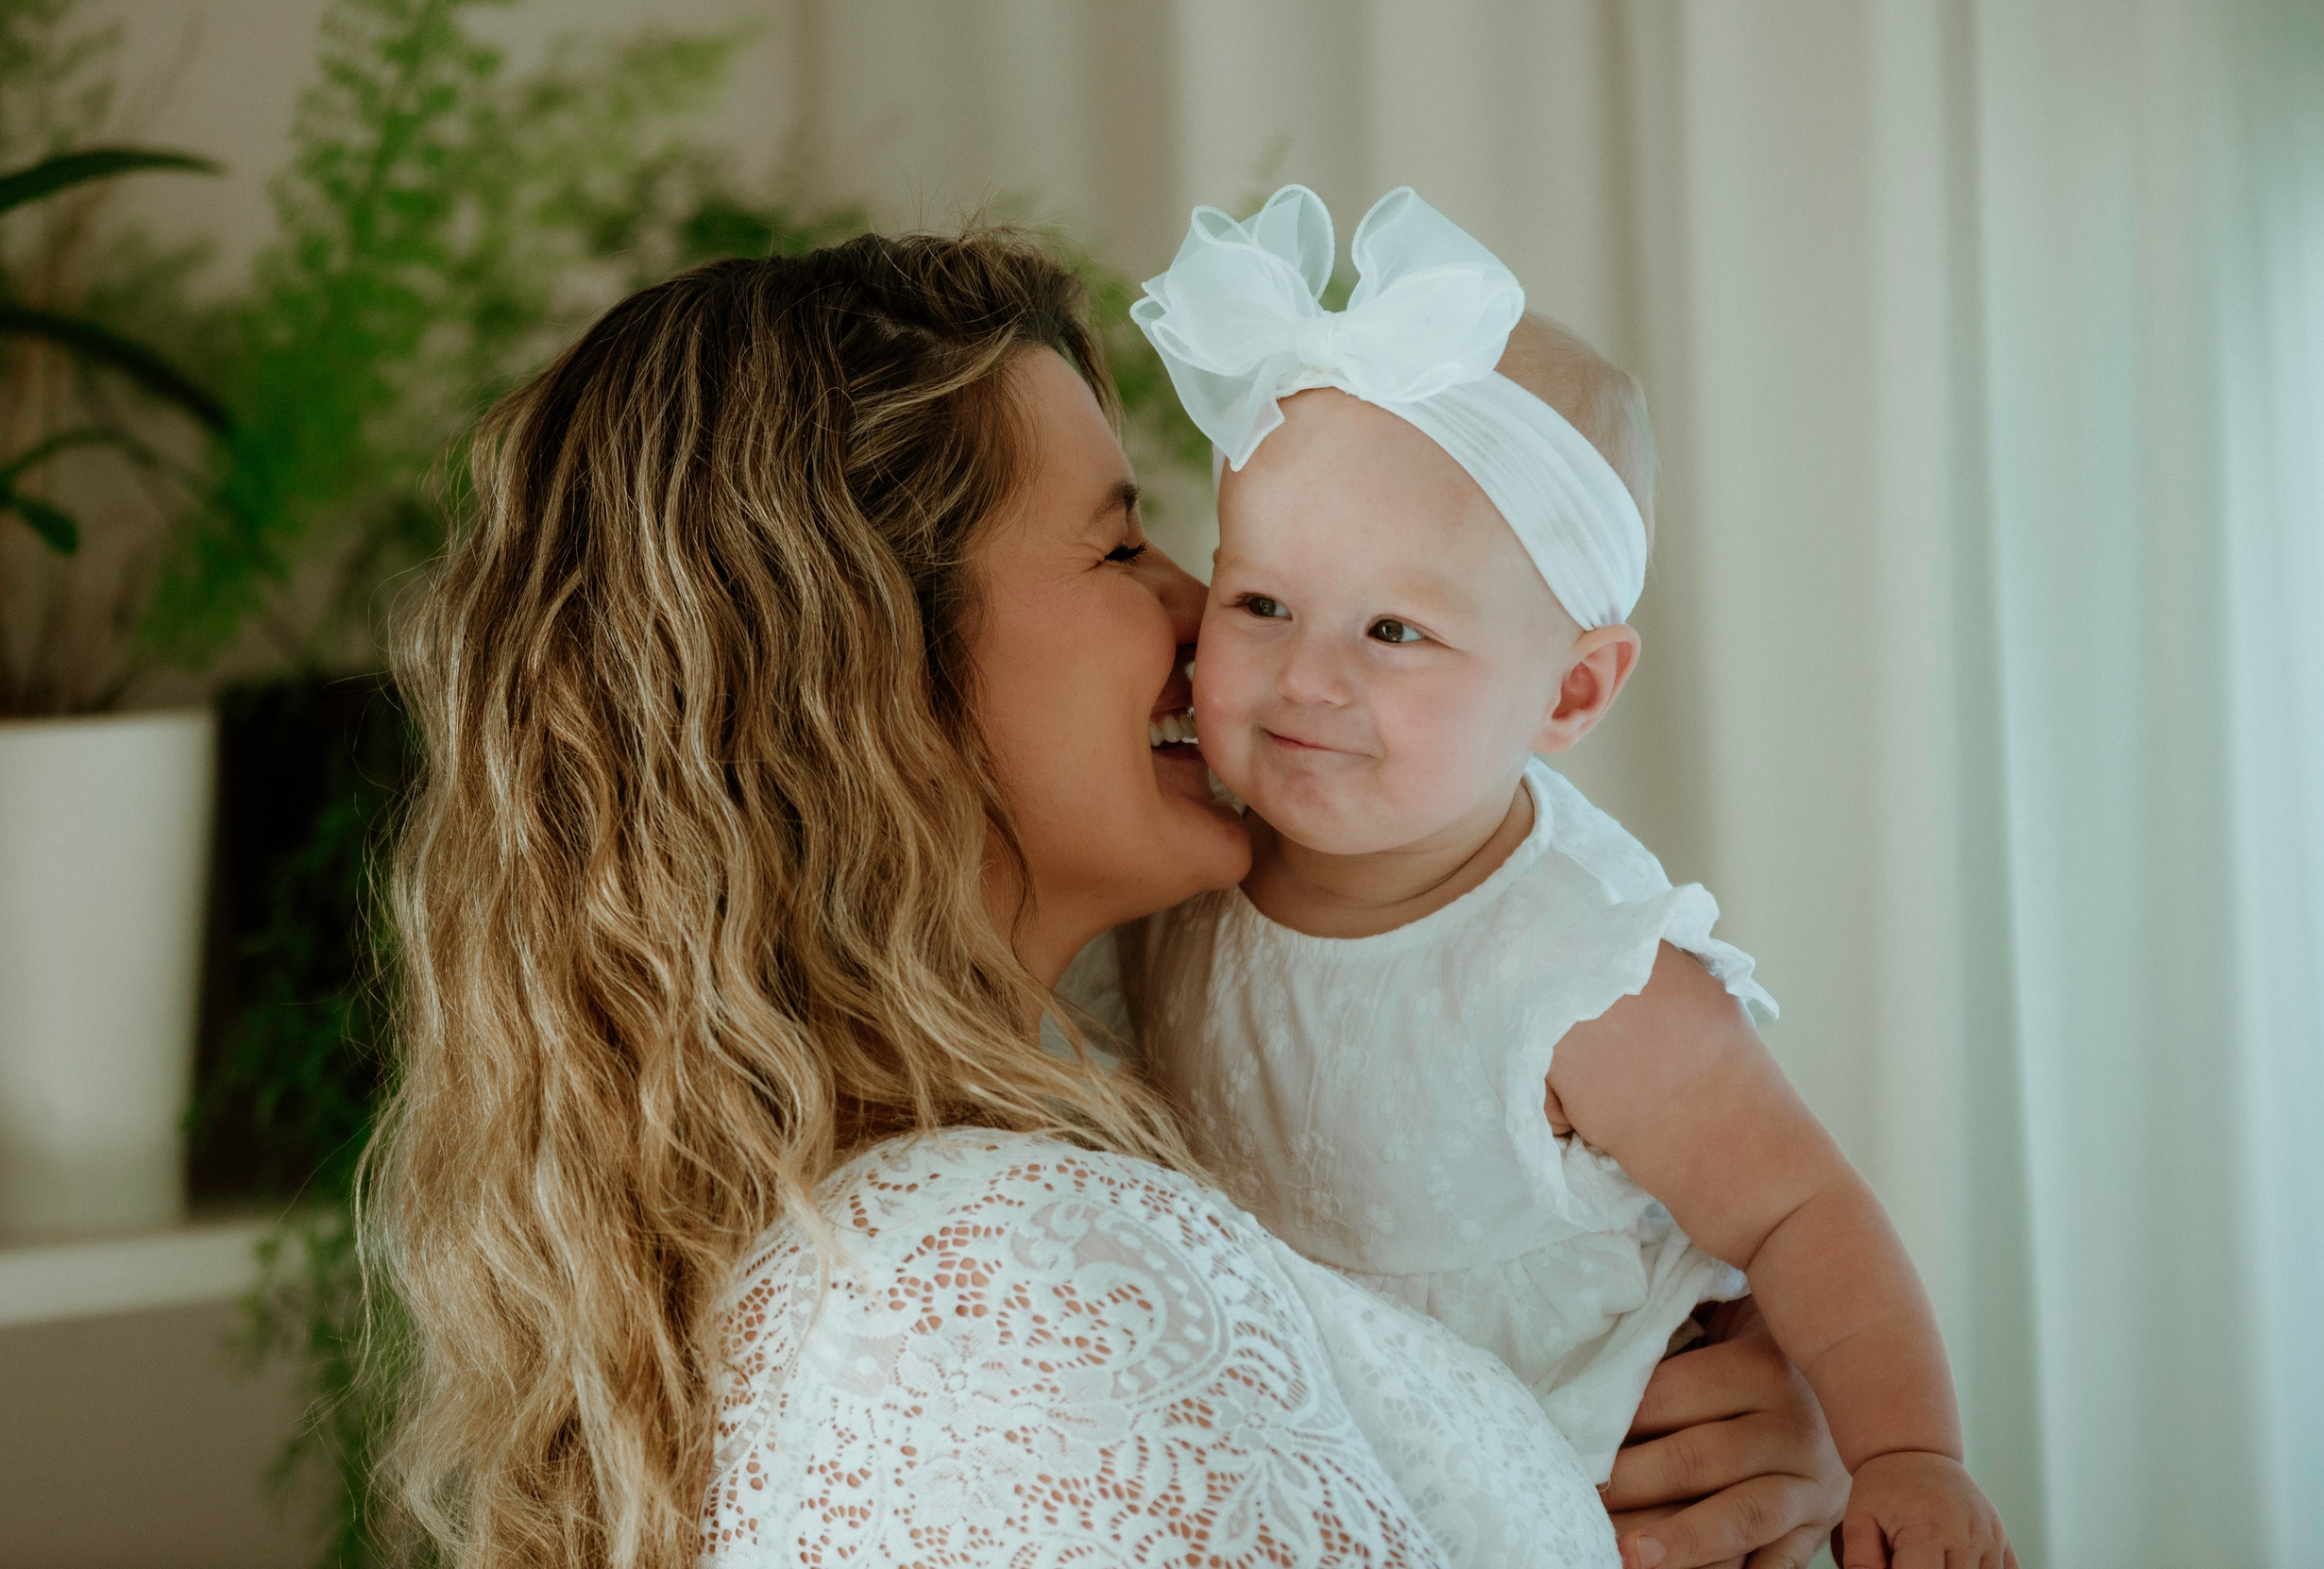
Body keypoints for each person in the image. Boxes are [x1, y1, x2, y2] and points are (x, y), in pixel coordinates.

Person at [367, 227, 1851, 1567]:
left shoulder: (1110, 1082)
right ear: (873, 676)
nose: (1211, 611)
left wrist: (1703, 1421)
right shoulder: (994, 1286)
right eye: (1119, 541)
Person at [1124, 186, 2013, 1569]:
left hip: (1621, 1507)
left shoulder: (1582, 966)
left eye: (1397, 628)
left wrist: (1906, 1451)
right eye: (1260, 603)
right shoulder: (1175, 878)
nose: (1308, 676)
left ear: (1572, 690)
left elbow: (1797, 1207)